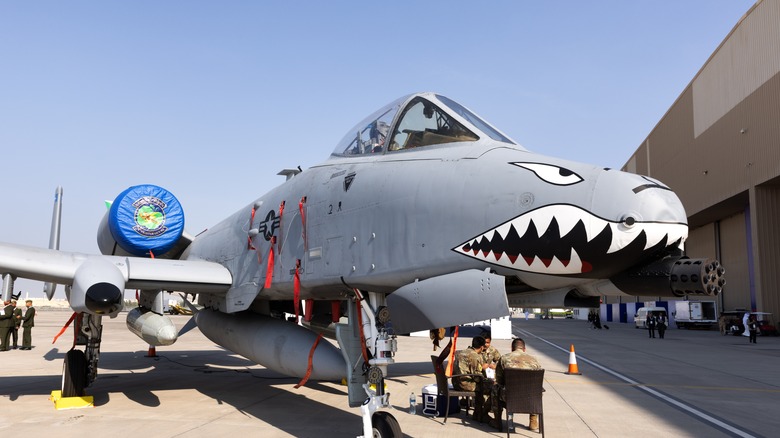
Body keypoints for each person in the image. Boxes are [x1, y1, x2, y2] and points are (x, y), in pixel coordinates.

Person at [490, 337, 542, 432]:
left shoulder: (504, 358)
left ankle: (497, 421)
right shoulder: (534, 360)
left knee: (494, 388)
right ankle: (533, 421)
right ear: (524, 349)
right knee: (536, 390)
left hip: (510, 396)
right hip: (530, 397)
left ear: (512, 348)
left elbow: (499, 380)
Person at [452, 336, 491, 423]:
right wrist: (483, 369)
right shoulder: (475, 356)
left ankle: (477, 412)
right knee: (489, 387)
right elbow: (477, 377)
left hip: (456, 383)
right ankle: (481, 413)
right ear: (481, 347)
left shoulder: (461, 352)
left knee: (482, 385)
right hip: (465, 385)